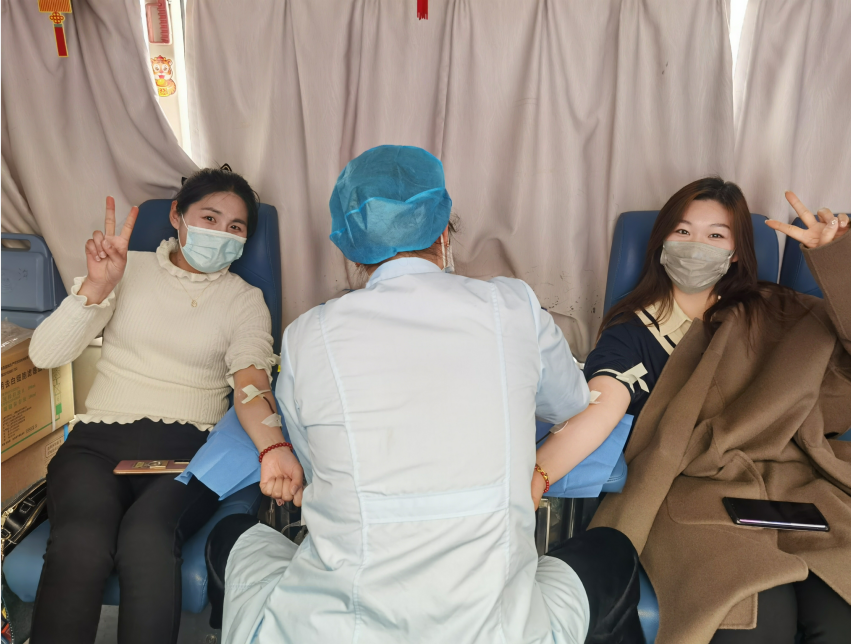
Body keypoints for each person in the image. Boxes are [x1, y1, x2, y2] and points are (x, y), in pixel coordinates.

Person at [203, 145, 645, 643]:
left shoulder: (309, 335)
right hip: (492, 630)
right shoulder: (512, 306)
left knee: (230, 537)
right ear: (443, 234)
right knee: (609, 552)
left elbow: (314, 461)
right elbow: (568, 404)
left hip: (336, 629)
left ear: (351, 250)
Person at [534, 177, 851, 643]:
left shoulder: (783, 312)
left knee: (842, 616)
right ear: (662, 242)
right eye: (683, 231)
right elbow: (601, 406)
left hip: (800, 488)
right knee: (754, 618)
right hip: (693, 491)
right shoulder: (634, 331)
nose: (696, 245)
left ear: (736, 252)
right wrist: (536, 478)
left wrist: (840, 261)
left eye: (715, 235)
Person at [27, 168, 277, 644]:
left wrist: (274, 447)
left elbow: (251, 380)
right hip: (96, 444)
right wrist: (95, 288)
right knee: (80, 541)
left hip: (189, 451)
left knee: (148, 538)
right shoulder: (124, 269)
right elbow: (45, 355)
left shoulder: (245, 301)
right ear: (177, 216)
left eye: (236, 227)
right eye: (209, 218)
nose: (221, 234)